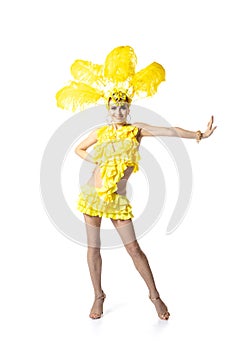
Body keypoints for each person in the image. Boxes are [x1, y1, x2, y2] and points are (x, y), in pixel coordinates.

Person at [56, 46, 217, 320]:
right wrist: (95, 160)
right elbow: (78, 149)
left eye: (122, 106)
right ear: (109, 109)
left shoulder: (137, 130)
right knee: (93, 248)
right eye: (114, 106)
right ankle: (99, 295)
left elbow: (170, 131)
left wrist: (199, 134)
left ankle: (155, 296)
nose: (118, 110)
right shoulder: (101, 132)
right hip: (92, 198)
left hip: (117, 201)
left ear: (128, 108)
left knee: (134, 249)